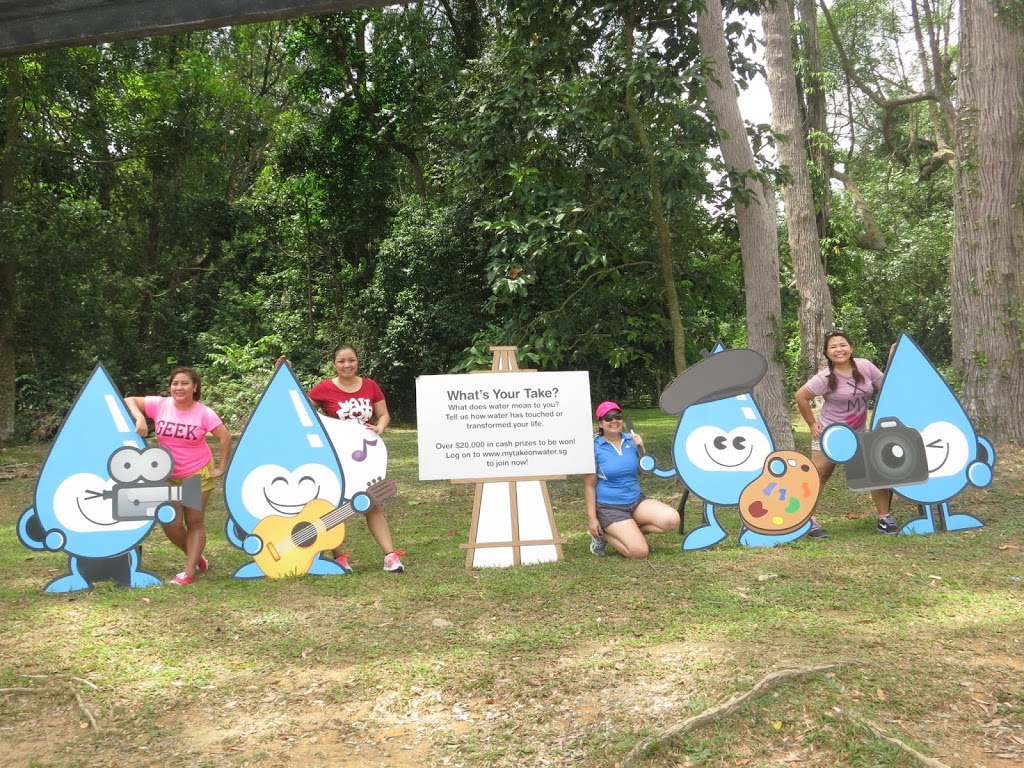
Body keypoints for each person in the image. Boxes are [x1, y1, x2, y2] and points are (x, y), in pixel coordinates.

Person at [125, 366, 232, 585]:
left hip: (194, 474)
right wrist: (140, 419)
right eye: (175, 383)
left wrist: (221, 467)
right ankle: (196, 555)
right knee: (170, 523)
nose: (179, 387)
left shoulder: (204, 413)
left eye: (184, 383)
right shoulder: (160, 405)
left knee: (193, 521)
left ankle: (188, 572)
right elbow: (129, 400)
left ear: (194, 387)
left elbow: (224, 437)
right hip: (168, 474)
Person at [306, 343, 405, 573]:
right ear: (334, 364)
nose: (346, 365)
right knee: (333, 505)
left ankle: (390, 556)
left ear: (357, 361)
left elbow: (383, 414)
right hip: (336, 456)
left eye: (351, 360)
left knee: (371, 503)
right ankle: (338, 557)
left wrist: (380, 427)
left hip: (366, 454)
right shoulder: (323, 389)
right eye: (341, 361)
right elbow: (303, 412)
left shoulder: (370, 385)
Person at [794, 330, 898, 538]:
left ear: (851, 348)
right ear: (826, 353)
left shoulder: (865, 367)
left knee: (876, 472)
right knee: (819, 475)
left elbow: (888, 388)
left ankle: (884, 518)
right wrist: (813, 424)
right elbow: (801, 396)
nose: (838, 349)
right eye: (833, 347)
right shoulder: (825, 377)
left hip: (859, 432)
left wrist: (892, 359)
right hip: (831, 434)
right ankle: (808, 521)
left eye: (842, 345)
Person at [583, 401, 680, 558]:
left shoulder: (631, 440)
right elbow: (589, 485)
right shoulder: (594, 447)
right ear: (600, 423)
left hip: (635, 501)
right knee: (639, 552)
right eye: (608, 418)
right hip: (610, 507)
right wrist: (592, 519)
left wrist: (642, 448)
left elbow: (646, 473)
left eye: (617, 416)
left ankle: (632, 533)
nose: (614, 421)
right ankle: (602, 535)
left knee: (672, 520)